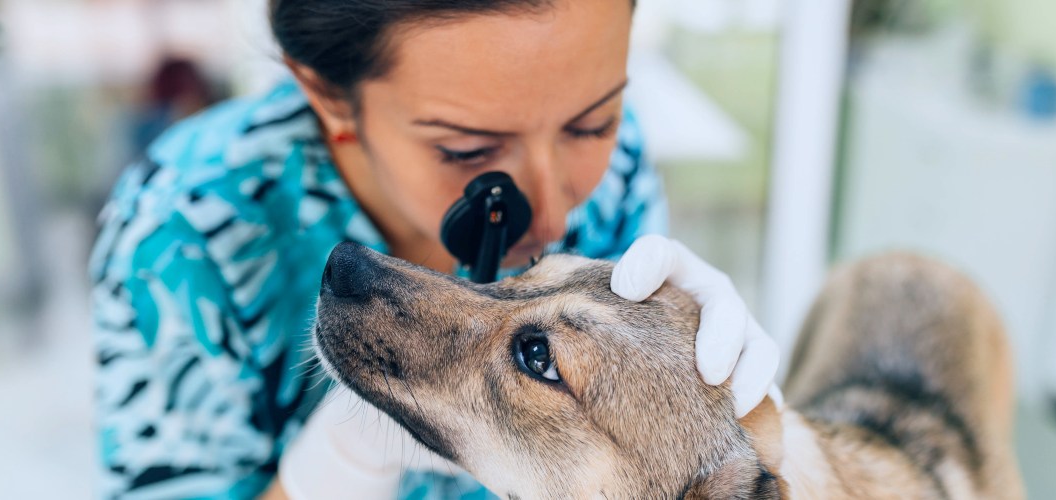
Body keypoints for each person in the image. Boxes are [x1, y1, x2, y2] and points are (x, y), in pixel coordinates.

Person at [89, 0, 779, 498]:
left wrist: (739, 433)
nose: (556, 204)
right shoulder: (183, 234)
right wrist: (329, 470)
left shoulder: (616, 165)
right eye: (468, 148)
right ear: (328, 97)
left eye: (591, 122)